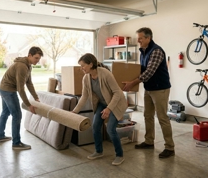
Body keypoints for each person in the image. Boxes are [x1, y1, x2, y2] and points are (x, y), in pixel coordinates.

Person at [123, 27, 175, 158]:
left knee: (162, 117)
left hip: (160, 89)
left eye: (140, 38)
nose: (138, 41)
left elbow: (149, 73)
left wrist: (132, 83)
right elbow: (141, 70)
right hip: (149, 88)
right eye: (138, 38)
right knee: (147, 115)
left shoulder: (156, 51)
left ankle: (170, 147)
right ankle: (149, 141)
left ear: (148, 38)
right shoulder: (143, 51)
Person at [72, 53, 127, 166]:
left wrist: (109, 108)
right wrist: (75, 111)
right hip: (103, 103)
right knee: (96, 126)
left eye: (83, 66)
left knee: (111, 129)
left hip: (115, 103)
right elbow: (84, 96)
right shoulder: (86, 78)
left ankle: (120, 155)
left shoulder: (105, 74)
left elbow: (117, 93)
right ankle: (98, 151)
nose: (81, 68)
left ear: (91, 64)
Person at [0, 46, 43, 150]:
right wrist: (29, 105)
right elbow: (20, 89)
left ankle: (0, 135)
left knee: (5, 112)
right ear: (29, 55)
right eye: (36, 58)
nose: (37, 61)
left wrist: (36, 97)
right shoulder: (22, 66)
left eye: (39, 59)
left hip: (3, 88)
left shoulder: (28, 65)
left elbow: (29, 83)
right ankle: (16, 143)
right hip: (8, 91)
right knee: (17, 115)